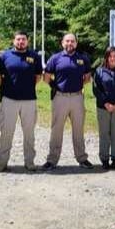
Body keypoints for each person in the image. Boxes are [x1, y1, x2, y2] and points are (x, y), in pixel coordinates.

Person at [41, 33, 93, 171]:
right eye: (67, 41)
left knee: (78, 129)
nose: (70, 43)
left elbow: (87, 78)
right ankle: (52, 160)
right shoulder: (55, 58)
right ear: (62, 43)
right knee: (56, 129)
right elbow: (46, 77)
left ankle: (82, 158)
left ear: (76, 43)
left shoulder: (82, 59)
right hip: (60, 98)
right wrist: (55, 86)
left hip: (77, 98)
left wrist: (78, 86)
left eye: (73, 41)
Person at [0, 31, 43, 172]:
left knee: (29, 134)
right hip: (9, 99)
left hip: (29, 100)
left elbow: (38, 76)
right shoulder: (5, 56)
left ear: (27, 41)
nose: (21, 42)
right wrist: (6, 88)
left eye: (23, 39)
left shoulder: (34, 56)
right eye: (18, 39)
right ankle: (2, 162)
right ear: (13, 41)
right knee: (6, 132)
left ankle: (29, 162)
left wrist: (27, 87)